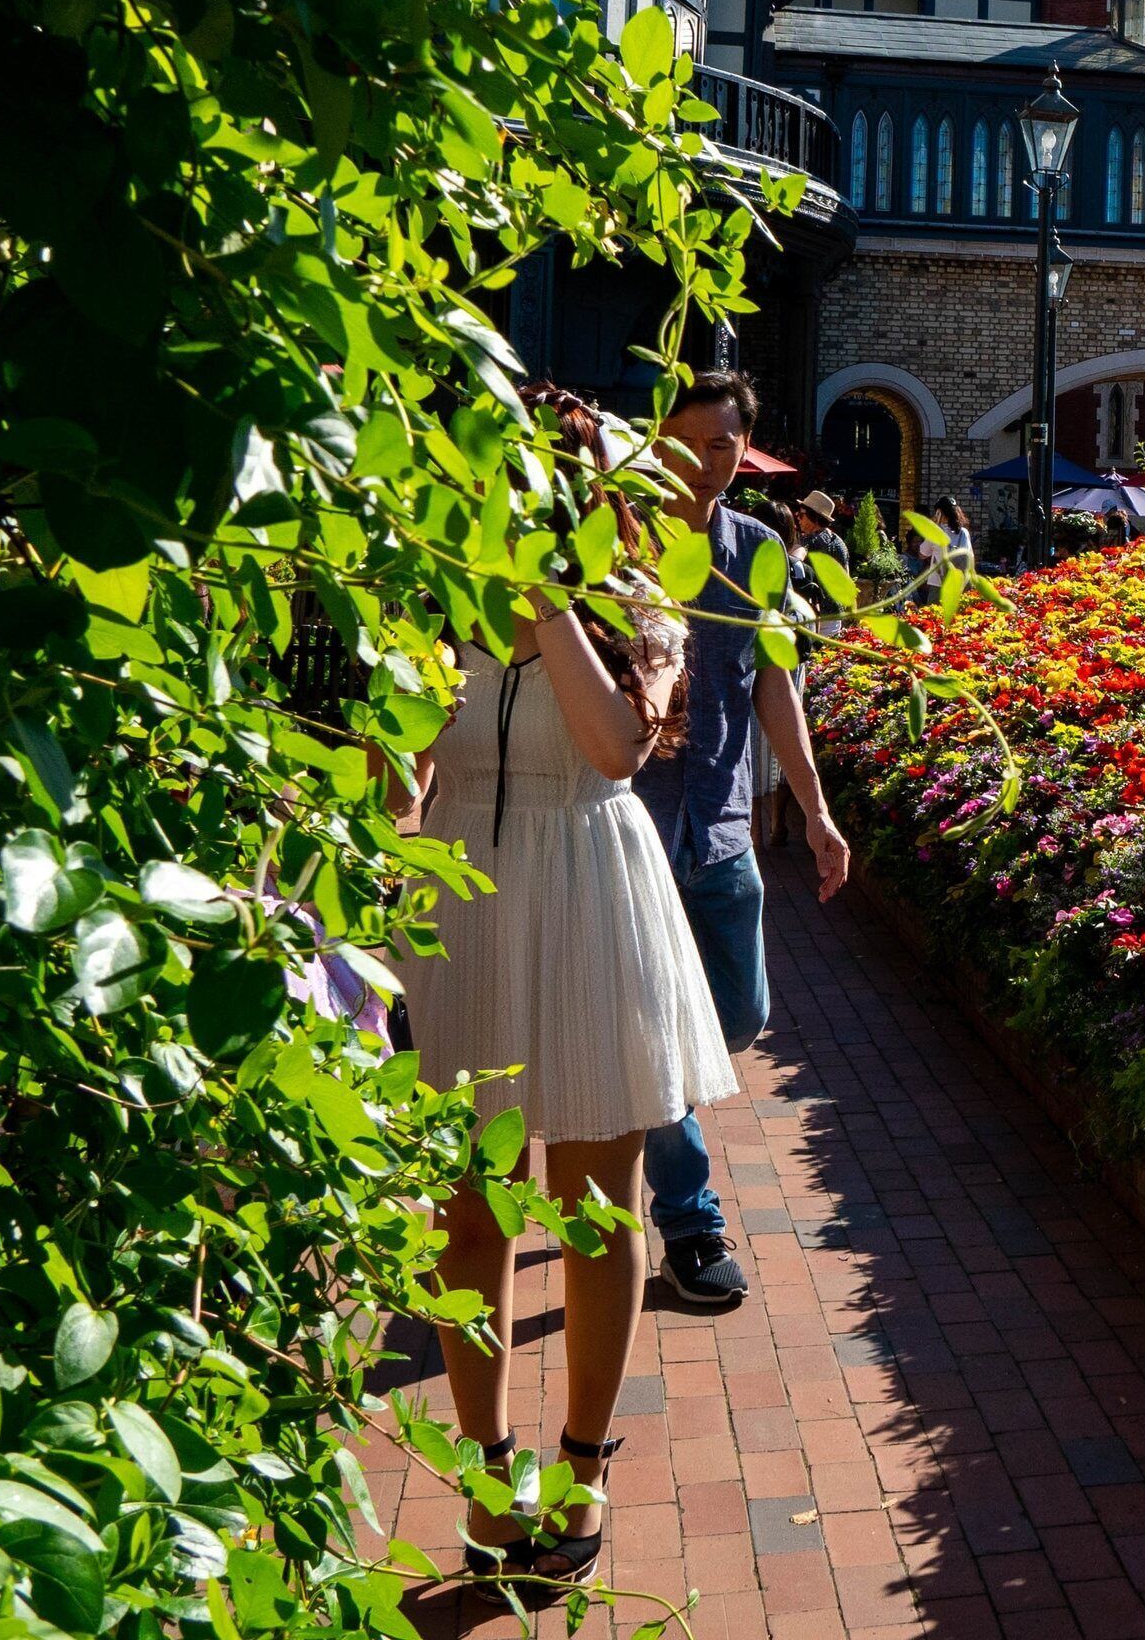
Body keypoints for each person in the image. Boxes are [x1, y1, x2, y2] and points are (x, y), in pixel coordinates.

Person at [404, 392, 738, 1584]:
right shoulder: (442, 585)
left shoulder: (641, 598)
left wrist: (550, 596)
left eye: (556, 470)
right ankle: (492, 1474)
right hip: (470, 895)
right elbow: (408, 752)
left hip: (591, 884)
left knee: (596, 1204)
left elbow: (614, 748)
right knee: (471, 1210)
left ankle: (586, 1465)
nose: (527, 490)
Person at [634, 372, 846, 1310]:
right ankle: (690, 1224)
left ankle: (638, 1109)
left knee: (739, 1018)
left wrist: (815, 809)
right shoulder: (614, 544)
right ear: (659, 441)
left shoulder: (756, 548)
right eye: (691, 442)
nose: (708, 463)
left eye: (725, 446)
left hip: (720, 825)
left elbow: (776, 689)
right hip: (630, 825)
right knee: (656, 1036)